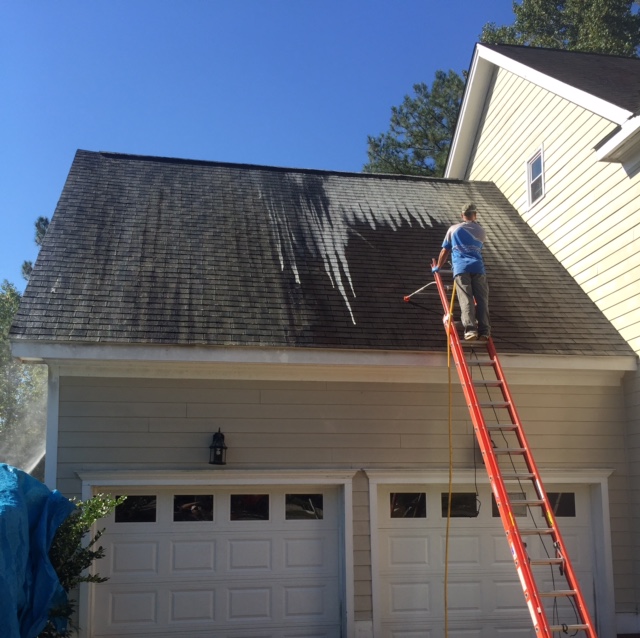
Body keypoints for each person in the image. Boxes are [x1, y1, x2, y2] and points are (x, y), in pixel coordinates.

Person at [432, 202, 490, 341]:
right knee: (482, 300)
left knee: (466, 299)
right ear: (475, 215)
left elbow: (445, 250)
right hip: (478, 268)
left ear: (462, 215)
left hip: (461, 268)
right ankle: (485, 331)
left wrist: (438, 267)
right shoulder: (481, 231)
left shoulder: (454, 229)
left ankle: (471, 331)